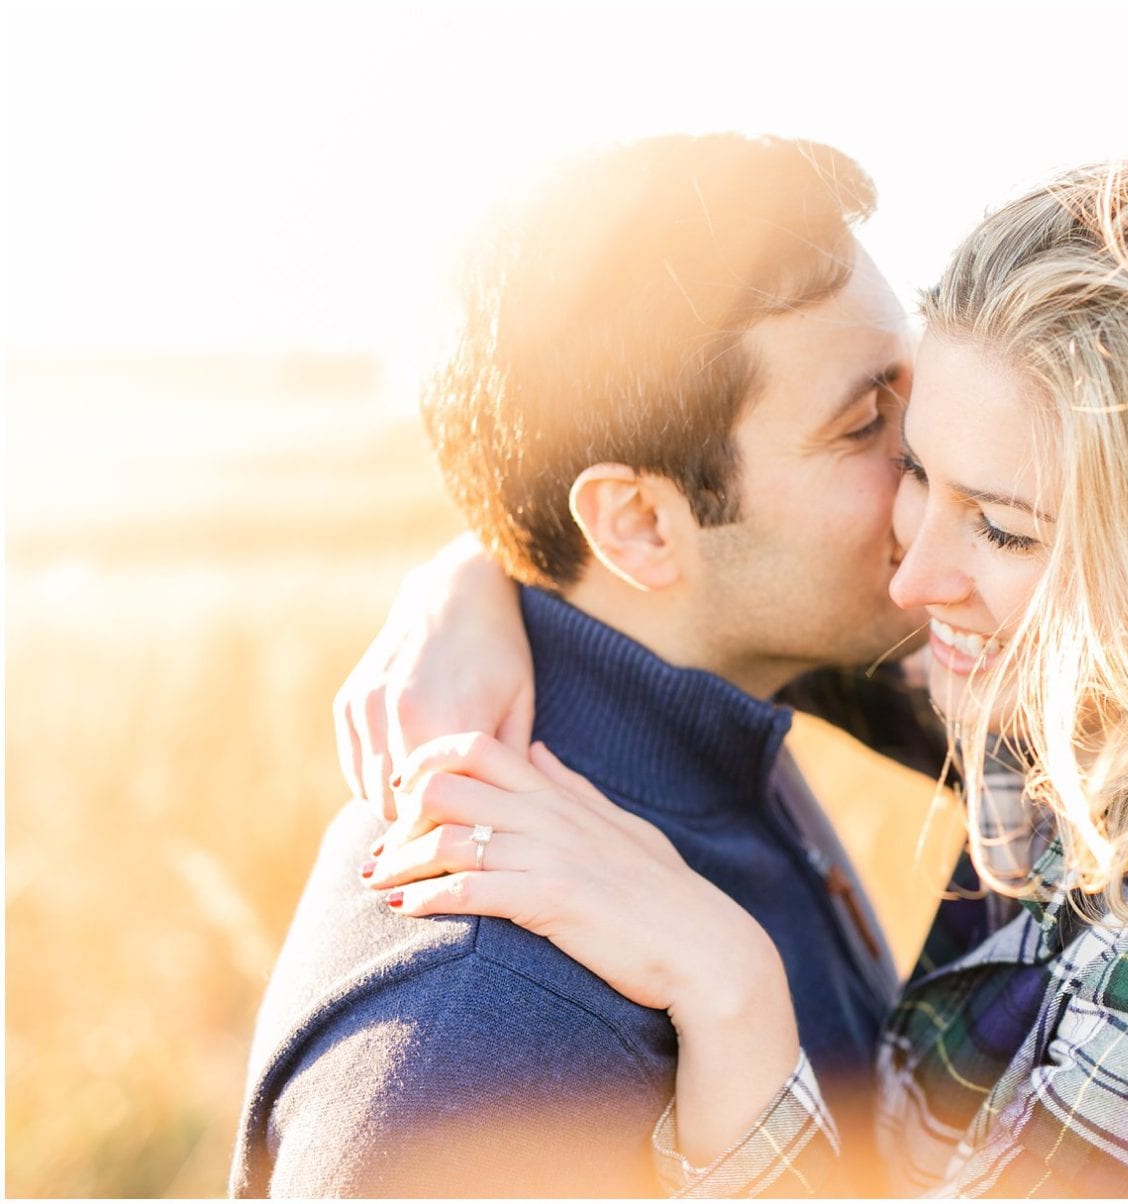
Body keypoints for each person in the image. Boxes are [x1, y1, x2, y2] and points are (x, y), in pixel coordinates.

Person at [347, 153, 1128, 1196]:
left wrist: (730, 994)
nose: (912, 571)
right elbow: (693, 574)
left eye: (1003, 524)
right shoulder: (1095, 720)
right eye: (915, 465)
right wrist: (491, 569)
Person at [231, 133, 944, 1197]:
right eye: (863, 423)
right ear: (642, 526)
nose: (931, 454)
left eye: (910, 387)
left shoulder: (731, 701)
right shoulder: (478, 1020)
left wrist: (475, 565)